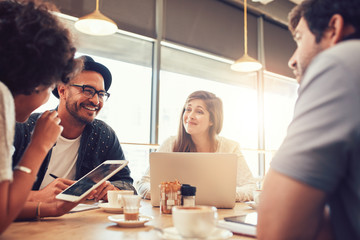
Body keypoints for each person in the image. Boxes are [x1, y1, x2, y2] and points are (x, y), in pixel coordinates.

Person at [257, 0, 360, 239]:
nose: (292, 60)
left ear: (333, 28)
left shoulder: (342, 61)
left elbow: (276, 231)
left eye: (299, 38)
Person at [12, 55, 136, 218]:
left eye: (101, 94)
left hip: (75, 224)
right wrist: (38, 196)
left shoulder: (104, 135)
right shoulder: (25, 127)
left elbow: (127, 183)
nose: (95, 100)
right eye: (88, 90)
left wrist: (113, 189)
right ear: (62, 90)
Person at [0, 0, 83, 233]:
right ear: (34, 78)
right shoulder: (1, 97)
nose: (49, 96)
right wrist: (40, 145)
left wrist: (47, 208)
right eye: (50, 86)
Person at [136, 90, 256, 201]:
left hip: (215, 215)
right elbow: (143, 183)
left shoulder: (231, 148)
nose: (190, 116)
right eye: (188, 109)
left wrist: (223, 196)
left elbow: (251, 187)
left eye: (199, 111)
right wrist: (175, 194)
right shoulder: (170, 144)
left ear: (212, 120)